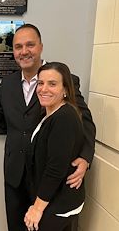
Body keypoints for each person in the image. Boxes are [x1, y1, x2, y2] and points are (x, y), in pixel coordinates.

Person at [0, 23, 95, 231]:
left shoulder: (63, 80)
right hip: (16, 173)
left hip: (49, 177)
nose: (24, 51)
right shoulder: (8, 84)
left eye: (30, 45)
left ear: (41, 47)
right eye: (18, 47)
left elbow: (84, 120)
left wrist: (85, 157)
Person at [24, 62, 85, 231]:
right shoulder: (52, 112)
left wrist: (37, 209)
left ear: (65, 89)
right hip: (52, 200)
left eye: (52, 84)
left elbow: (55, 169)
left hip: (58, 205)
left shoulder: (64, 118)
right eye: (41, 83)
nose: (43, 89)